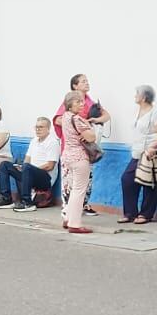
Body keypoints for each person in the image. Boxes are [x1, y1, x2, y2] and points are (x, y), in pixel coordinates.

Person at [116, 86, 157, 225]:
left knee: (150, 184)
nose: (135, 96)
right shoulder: (137, 111)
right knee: (127, 180)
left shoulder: (155, 113)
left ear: (144, 97)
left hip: (151, 153)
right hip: (138, 153)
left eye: (137, 93)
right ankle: (130, 213)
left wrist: (152, 147)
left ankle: (146, 214)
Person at [58, 91, 96, 233]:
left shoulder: (65, 117)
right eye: (78, 102)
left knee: (73, 189)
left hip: (67, 155)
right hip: (79, 157)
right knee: (79, 190)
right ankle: (74, 223)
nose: (82, 104)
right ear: (70, 104)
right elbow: (91, 137)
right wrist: (88, 126)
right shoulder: (77, 119)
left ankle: (68, 217)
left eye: (82, 101)